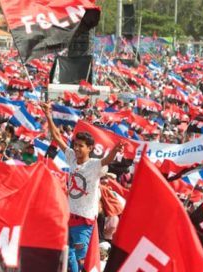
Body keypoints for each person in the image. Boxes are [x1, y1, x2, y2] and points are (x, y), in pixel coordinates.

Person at [41, 102, 124, 272]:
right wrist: (48, 115)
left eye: (81, 146)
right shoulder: (71, 157)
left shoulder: (94, 165)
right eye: (76, 145)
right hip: (69, 215)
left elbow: (107, 160)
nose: (77, 148)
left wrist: (115, 150)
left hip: (84, 220)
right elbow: (57, 137)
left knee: (82, 259)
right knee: (69, 254)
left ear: (90, 148)